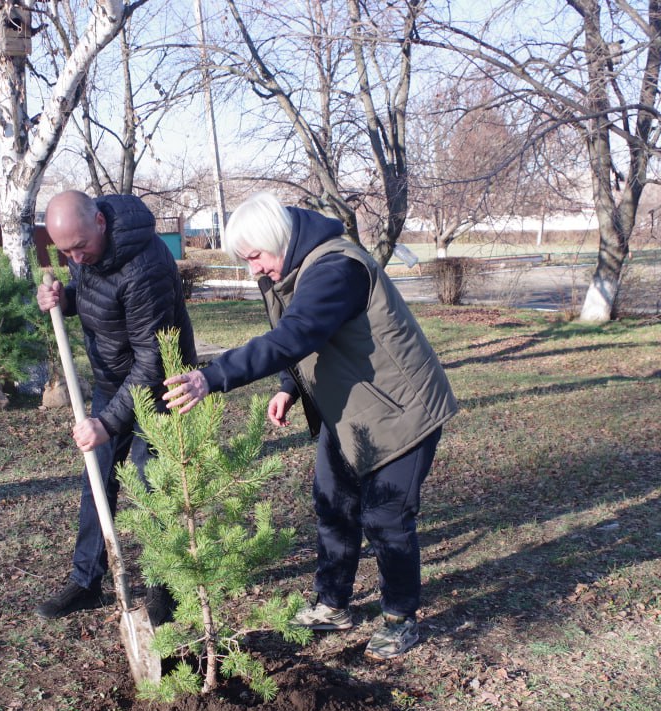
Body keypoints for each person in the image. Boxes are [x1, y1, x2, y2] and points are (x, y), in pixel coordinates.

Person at [163, 192, 457, 660]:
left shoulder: (335, 268)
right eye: (246, 261)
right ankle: (332, 604)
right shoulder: (291, 269)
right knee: (333, 505)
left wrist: (212, 376)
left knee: (386, 519)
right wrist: (289, 386)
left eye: (256, 256)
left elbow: (295, 333)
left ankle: (400, 618)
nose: (255, 269)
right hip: (350, 411)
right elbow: (303, 337)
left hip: (402, 410)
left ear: (279, 240)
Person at [35, 189, 196, 621]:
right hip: (112, 381)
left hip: (162, 387)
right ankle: (86, 581)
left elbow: (153, 359)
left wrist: (106, 422)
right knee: (97, 478)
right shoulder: (86, 250)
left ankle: (165, 589)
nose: (75, 258)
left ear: (101, 223)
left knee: (152, 486)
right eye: (65, 251)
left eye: (80, 247)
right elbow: (94, 293)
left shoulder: (146, 268)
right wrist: (64, 300)